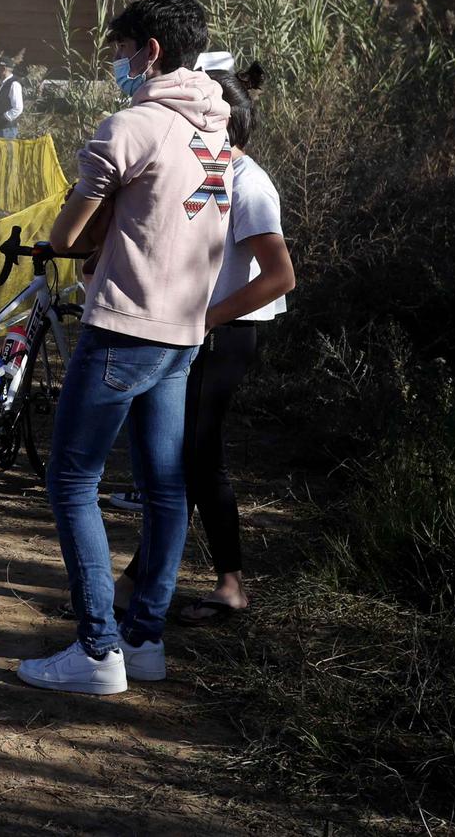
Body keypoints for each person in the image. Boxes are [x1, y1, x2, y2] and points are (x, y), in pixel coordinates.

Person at [16, 0, 232, 697]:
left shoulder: (132, 127)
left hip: (123, 327)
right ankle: (144, 640)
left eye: (120, 50)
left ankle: (97, 647)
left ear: (151, 51)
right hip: (183, 333)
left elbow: (71, 236)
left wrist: (68, 239)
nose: (117, 63)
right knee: (165, 489)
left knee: (72, 480)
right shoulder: (217, 134)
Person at [114, 56, 294, 628]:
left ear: (224, 124)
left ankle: (221, 585)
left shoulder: (250, 182)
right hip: (198, 331)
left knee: (196, 460)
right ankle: (148, 577)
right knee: (183, 460)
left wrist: (209, 319)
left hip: (226, 335)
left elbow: (279, 276)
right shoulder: (208, 173)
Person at [0, 56, 24, 138]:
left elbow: (18, 108)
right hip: (0, 130)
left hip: (7, 131)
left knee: (6, 151)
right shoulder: (4, 84)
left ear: (3, 68)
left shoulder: (14, 84)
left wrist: (4, 118)